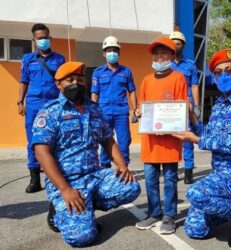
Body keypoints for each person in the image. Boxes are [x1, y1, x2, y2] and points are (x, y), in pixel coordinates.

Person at [32, 62, 140, 247]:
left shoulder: (94, 108)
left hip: (93, 175)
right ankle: (59, 210)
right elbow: (42, 154)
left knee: (131, 187)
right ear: (59, 84)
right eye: (70, 80)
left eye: (80, 79)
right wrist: (65, 190)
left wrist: (122, 165)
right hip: (66, 181)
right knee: (81, 238)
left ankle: (86, 205)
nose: (76, 83)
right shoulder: (50, 112)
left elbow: (107, 139)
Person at [173, 49, 231, 248]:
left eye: (229, 71)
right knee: (195, 230)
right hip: (222, 176)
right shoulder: (219, 105)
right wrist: (192, 117)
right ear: (214, 78)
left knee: (197, 193)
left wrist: (195, 139)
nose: (223, 75)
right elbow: (209, 134)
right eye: (218, 72)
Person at [134, 37, 188, 234]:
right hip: (150, 140)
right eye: (156, 54)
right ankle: (155, 212)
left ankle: (169, 216)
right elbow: (141, 105)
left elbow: (182, 106)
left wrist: (176, 121)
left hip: (170, 139)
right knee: (150, 178)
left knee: (171, 179)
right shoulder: (146, 80)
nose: (159, 57)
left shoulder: (179, 78)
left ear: (172, 56)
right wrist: (138, 112)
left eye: (163, 53)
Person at [17, 23, 65, 193]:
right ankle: (34, 178)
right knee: (33, 140)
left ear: (50, 38)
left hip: (53, 104)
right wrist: (20, 102)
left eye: (45, 37)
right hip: (34, 103)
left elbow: (63, 82)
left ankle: (55, 177)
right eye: (40, 38)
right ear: (34, 40)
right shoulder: (28, 59)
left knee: (56, 140)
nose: (43, 40)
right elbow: (24, 81)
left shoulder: (59, 59)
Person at [91, 36, 137, 167]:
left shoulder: (126, 72)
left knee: (124, 140)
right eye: (109, 50)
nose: (112, 53)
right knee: (105, 139)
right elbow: (94, 93)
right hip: (103, 112)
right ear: (104, 53)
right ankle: (105, 167)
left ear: (119, 53)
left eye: (115, 50)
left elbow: (132, 91)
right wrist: (94, 112)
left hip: (121, 112)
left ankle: (124, 167)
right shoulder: (98, 72)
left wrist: (135, 109)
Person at [169, 31, 199, 184]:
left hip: (187, 107)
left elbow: (194, 85)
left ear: (183, 45)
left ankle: (188, 171)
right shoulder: (165, 64)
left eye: (178, 43)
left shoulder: (190, 64)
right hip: (170, 107)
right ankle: (172, 170)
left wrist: (197, 105)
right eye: (173, 42)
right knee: (172, 139)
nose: (175, 45)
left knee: (187, 139)